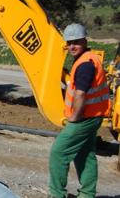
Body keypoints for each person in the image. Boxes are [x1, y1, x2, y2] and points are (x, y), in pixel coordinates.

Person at [48, 23, 111, 198]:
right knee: (85, 154)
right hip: (93, 115)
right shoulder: (89, 59)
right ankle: (87, 194)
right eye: (69, 43)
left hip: (84, 118)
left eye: (76, 42)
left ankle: (56, 194)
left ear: (85, 40)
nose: (72, 46)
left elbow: (81, 94)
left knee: (58, 152)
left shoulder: (85, 64)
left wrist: (74, 118)